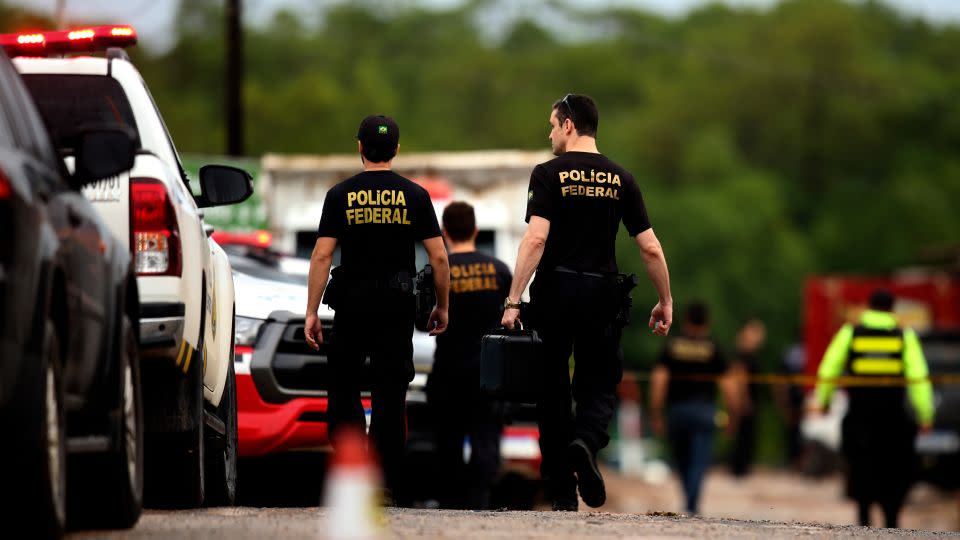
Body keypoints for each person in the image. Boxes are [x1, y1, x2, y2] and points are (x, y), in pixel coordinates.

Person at [501, 93, 673, 511]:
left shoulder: (546, 174)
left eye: (552, 124)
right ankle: (586, 441)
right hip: (601, 294)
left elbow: (536, 238)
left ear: (569, 126)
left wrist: (513, 300)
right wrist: (665, 298)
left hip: (554, 292)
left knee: (553, 390)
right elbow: (649, 247)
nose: (549, 133)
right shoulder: (622, 179)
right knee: (598, 382)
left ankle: (562, 493)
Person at [305, 114, 450, 503]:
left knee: (344, 386)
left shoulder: (340, 195)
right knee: (389, 393)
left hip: (352, 305)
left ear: (359, 147)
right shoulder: (415, 195)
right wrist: (442, 306)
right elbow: (438, 257)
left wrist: (312, 311)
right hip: (396, 306)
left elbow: (322, 256)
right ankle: (381, 481)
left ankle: (355, 470)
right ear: (397, 149)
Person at [811, 289, 934, 528]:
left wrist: (823, 401)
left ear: (869, 307)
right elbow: (919, 377)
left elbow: (829, 370)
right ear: (892, 309)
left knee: (858, 462)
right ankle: (891, 517)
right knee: (896, 465)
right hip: (893, 417)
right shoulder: (903, 336)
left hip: (860, 415)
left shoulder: (850, 333)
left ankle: (864, 513)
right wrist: (925, 414)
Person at [427, 201, 512, 510]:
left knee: (447, 440)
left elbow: (422, 320)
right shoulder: (500, 271)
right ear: (475, 229)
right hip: (488, 374)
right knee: (486, 437)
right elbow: (513, 318)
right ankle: (481, 501)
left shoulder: (438, 270)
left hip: (447, 370)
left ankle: (450, 503)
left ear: (445, 232)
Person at [649, 302, 738, 515]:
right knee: (699, 460)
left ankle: (689, 500)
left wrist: (656, 413)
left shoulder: (673, 346)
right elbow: (729, 386)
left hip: (678, 412)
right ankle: (691, 503)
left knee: (682, 460)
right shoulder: (713, 347)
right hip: (705, 412)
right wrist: (733, 416)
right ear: (707, 322)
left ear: (686, 320)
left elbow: (659, 381)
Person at [728, 318, 766, 478]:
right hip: (746, 400)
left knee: (747, 434)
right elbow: (740, 377)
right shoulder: (744, 354)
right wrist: (744, 399)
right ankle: (739, 467)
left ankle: (741, 466)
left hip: (750, 399)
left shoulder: (748, 354)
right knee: (744, 434)